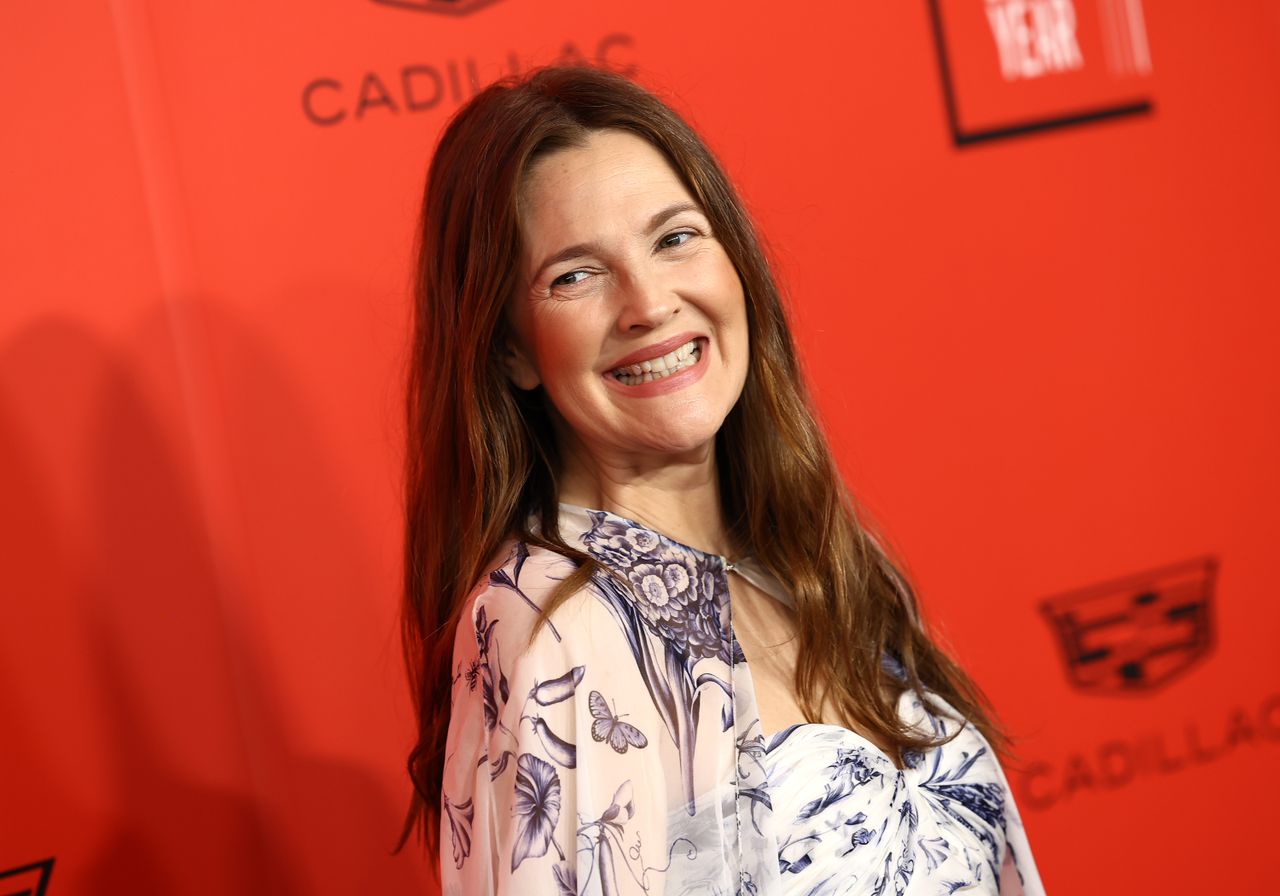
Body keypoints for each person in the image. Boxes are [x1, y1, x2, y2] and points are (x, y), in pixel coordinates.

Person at [399, 66, 1045, 895]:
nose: (648, 304)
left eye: (675, 238)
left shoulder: (820, 557)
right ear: (511, 349)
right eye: (575, 276)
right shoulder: (554, 625)